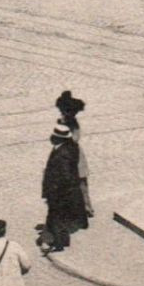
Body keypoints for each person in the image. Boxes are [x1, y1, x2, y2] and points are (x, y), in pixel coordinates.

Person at [40, 122, 88, 252]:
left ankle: (59, 244)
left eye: (54, 136)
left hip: (59, 192)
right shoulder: (71, 147)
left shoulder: (62, 154)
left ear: (59, 138)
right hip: (64, 191)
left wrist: (54, 192)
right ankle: (61, 241)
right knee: (58, 217)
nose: (51, 138)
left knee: (57, 217)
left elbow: (65, 176)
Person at [55, 90, 92, 219]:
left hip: (73, 154)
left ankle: (87, 207)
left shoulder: (72, 122)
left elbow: (76, 137)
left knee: (80, 182)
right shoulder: (62, 120)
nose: (61, 112)